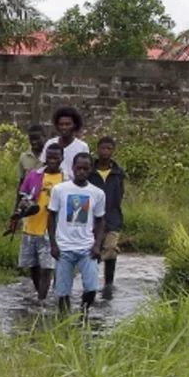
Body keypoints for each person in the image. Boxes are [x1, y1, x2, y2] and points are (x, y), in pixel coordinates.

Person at [48, 152, 106, 314]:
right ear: (73, 168)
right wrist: (53, 244)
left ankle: (83, 314)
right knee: (62, 291)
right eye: (78, 168)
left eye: (85, 169)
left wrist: (97, 245)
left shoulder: (97, 193)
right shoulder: (60, 190)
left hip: (86, 248)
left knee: (92, 288)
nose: (81, 172)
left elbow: (100, 220)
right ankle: (64, 321)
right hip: (64, 248)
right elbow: (51, 216)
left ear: (90, 170)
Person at [10, 145, 64, 301]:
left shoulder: (65, 179)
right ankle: (40, 294)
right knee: (33, 266)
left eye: (56, 157)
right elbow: (23, 196)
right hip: (32, 225)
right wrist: (21, 210)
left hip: (51, 229)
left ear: (62, 158)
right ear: (45, 158)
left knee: (47, 267)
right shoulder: (34, 175)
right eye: (50, 157)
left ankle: (41, 300)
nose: (53, 161)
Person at [88, 136, 125, 298]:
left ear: (113, 150)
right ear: (97, 149)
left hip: (112, 216)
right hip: (92, 218)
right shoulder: (90, 171)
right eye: (103, 148)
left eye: (109, 149)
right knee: (94, 249)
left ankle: (108, 283)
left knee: (110, 249)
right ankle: (91, 282)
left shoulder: (118, 172)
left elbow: (120, 194)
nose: (106, 152)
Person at [45, 106, 90, 180]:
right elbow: (44, 166)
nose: (64, 127)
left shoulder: (82, 147)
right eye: (61, 124)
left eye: (67, 124)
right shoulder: (50, 144)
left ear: (74, 125)